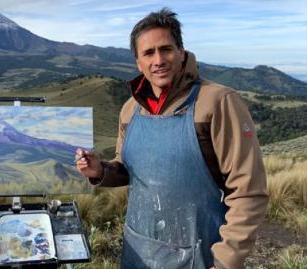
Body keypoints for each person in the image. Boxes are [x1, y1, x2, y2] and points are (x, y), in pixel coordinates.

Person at [75, 7, 268, 269]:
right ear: (138, 62)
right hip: (139, 253)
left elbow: (248, 191)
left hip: (200, 257)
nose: (158, 60)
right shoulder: (131, 109)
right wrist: (100, 170)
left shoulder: (218, 102)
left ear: (181, 52)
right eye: (148, 53)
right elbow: (129, 167)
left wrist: (226, 261)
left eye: (165, 49)